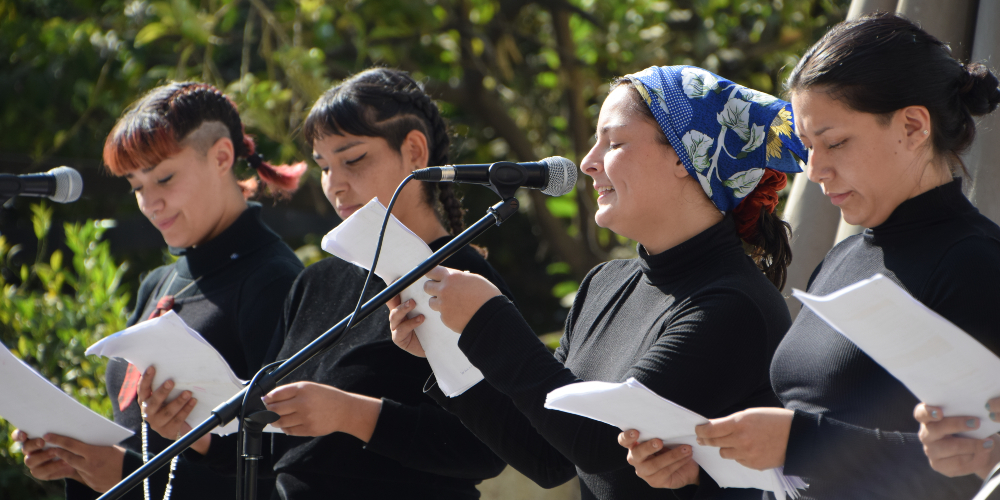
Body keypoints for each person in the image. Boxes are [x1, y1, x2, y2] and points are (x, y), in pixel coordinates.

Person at [389, 65, 808, 499]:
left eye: (614, 142)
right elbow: (549, 456)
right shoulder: (603, 284)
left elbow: (596, 442)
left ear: (687, 157)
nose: (588, 163)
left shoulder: (733, 306)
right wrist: (447, 348)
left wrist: (489, 320)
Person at [629, 13, 1000, 500]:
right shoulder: (840, 258)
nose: (816, 168)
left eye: (836, 142)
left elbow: (975, 475)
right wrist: (702, 475)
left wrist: (798, 442)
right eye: (806, 146)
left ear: (912, 126)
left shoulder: (976, 265)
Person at [193, 67, 509, 499]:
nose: (335, 185)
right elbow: (282, 452)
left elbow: (489, 448)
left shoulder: (462, 280)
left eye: (353, 159)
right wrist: (200, 434)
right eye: (323, 166)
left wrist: (352, 414)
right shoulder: (315, 283)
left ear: (415, 150)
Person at [12, 82, 307, 499]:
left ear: (222, 157)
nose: (150, 203)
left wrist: (123, 474)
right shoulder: (158, 282)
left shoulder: (275, 281)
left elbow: (285, 474)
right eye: (135, 186)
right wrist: (76, 461)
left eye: (164, 178)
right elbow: (137, 442)